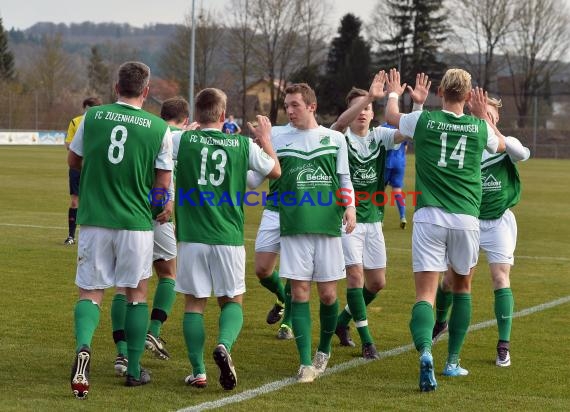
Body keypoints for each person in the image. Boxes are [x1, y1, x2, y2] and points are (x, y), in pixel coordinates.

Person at [385, 68, 505, 392]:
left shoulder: (422, 121)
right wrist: (485, 117)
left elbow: (392, 116)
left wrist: (401, 94)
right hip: (466, 219)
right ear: (468, 96)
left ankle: (426, 351)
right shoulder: (479, 127)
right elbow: (503, 145)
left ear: (440, 92)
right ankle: (452, 361)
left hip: (429, 216)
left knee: (425, 293)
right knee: (462, 288)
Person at [68, 61, 173, 399]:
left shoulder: (93, 117)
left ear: (116, 88)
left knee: (91, 293)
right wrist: (158, 210)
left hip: (96, 219)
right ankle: (133, 369)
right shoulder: (159, 128)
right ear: (146, 91)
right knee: (136, 295)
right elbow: (162, 185)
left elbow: (73, 160)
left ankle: (84, 348)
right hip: (135, 225)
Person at [173, 88, 280, 390]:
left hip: (192, 236)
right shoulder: (242, 145)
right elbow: (276, 171)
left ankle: (198, 372)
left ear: (196, 114)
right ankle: (223, 345)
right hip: (227, 237)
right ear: (223, 115)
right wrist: (266, 142)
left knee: (194, 304)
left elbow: (164, 145)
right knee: (231, 301)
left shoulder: (182, 140)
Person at [330, 71, 426, 358]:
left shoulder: (380, 136)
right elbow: (338, 124)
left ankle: (341, 322)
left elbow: (409, 131)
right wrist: (369, 96)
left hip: (373, 220)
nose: (364, 112)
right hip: (346, 219)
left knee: (377, 282)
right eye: (359, 107)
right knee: (355, 277)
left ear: (373, 114)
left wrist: (417, 105)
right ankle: (367, 340)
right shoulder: (338, 138)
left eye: (369, 108)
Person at [432, 96, 530, 368]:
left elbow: (521, 154)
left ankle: (503, 344)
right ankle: (440, 322)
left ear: (496, 118)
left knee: (500, 277)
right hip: (469, 221)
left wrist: (490, 126)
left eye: (491, 114)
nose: (486, 117)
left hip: (499, 222)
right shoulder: (469, 144)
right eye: (481, 113)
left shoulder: (504, 142)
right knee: (451, 281)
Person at [272, 83, 356, 383]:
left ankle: (323, 350)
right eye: (287, 105)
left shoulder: (334, 139)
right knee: (299, 292)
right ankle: (306, 363)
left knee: (330, 294)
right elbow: (259, 172)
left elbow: (344, 176)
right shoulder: (278, 137)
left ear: (311, 106)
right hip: (294, 225)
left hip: (327, 225)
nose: (289, 110)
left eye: (295, 104)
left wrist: (350, 207)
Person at [110, 97, 192, 376]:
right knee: (168, 274)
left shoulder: (149, 129)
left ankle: (122, 353)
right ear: (185, 117)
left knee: (124, 285)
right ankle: (153, 331)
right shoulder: (184, 137)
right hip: (159, 214)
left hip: (127, 211)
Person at [247, 145, 294, 340]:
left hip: (301, 210)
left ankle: (287, 324)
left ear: (311, 111)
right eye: (288, 110)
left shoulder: (317, 137)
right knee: (262, 270)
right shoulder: (276, 138)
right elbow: (252, 180)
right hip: (273, 209)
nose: (291, 112)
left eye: (295, 110)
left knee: (294, 269)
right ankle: (283, 298)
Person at [63, 96, 102, 245]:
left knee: (98, 200)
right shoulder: (76, 121)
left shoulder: (105, 122)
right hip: (78, 166)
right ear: (84, 109)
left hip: (96, 167)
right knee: (75, 201)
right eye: (88, 110)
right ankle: (71, 236)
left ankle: (97, 236)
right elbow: (68, 144)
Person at [385, 135, 408, 229]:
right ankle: (403, 217)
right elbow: (405, 147)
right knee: (398, 191)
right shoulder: (402, 128)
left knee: (380, 191)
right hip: (399, 163)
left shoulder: (383, 128)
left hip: (387, 163)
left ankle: (380, 218)